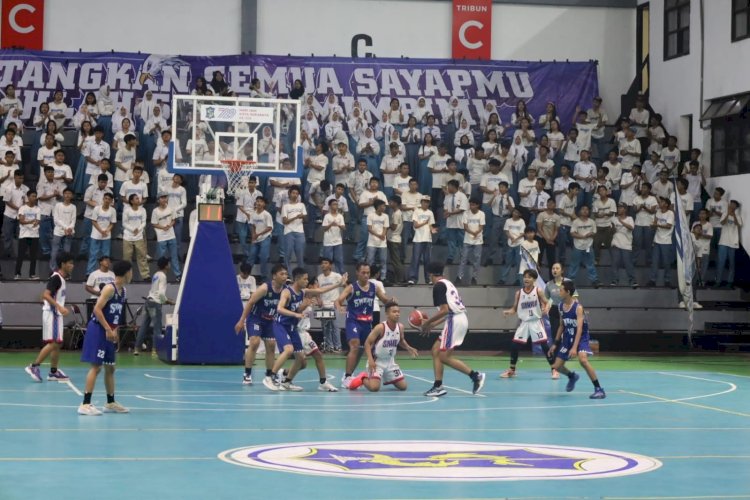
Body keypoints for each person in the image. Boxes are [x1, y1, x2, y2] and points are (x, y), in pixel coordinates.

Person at [265, 267, 347, 391]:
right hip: (281, 325)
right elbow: (279, 309)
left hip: (293, 327)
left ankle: (287, 382)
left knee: (300, 357)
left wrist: (338, 284)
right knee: (288, 350)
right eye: (305, 279)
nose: (307, 281)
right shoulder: (287, 292)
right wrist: (296, 314)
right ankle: (270, 376)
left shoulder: (303, 292)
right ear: (297, 279)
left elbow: (320, 290)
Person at [420, 261, 485, 397]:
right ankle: (438, 386)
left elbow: (445, 310)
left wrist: (427, 323)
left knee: (444, 356)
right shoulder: (447, 283)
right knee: (436, 350)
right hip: (456, 318)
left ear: (430, 274)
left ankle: (475, 376)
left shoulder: (438, 286)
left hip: (455, 321)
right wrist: (433, 324)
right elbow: (449, 310)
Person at [78, 261, 133, 415]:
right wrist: (108, 329)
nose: (132, 274)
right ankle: (85, 404)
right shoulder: (110, 288)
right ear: (126, 273)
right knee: (96, 367)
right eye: (131, 271)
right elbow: (97, 309)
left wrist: (114, 330)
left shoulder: (123, 292)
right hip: (98, 329)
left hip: (109, 331)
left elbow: (114, 314)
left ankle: (110, 402)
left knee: (110, 367)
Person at [336, 262, 394, 389]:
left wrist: (391, 302)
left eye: (368, 272)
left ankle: (350, 374)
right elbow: (338, 300)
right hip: (353, 321)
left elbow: (384, 300)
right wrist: (340, 307)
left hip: (367, 323)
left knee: (362, 349)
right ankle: (346, 377)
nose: (366, 275)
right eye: (363, 272)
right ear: (357, 273)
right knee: (355, 345)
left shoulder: (374, 287)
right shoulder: (351, 287)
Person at [548, 280, 606, 399]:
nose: (559, 292)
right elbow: (561, 326)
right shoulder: (560, 307)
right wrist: (555, 344)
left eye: (561, 290)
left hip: (581, 338)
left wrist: (575, 347)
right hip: (568, 338)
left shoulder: (578, 308)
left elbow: (579, 328)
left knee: (583, 360)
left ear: (568, 292)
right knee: (557, 366)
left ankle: (599, 389)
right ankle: (572, 376)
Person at [24, 252, 75, 383]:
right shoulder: (56, 278)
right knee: (53, 343)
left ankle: (53, 372)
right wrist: (59, 307)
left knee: (57, 343)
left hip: (56, 314)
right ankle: (33, 366)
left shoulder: (61, 279)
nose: (72, 266)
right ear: (63, 264)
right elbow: (45, 295)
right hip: (52, 314)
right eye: (70, 263)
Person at [234, 264, 288, 385]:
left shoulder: (285, 291)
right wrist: (241, 320)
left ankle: (269, 375)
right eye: (282, 274)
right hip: (256, 319)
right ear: (274, 276)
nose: (285, 276)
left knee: (271, 345)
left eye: (286, 274)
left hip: (270, 321)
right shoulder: (264, 288)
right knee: (254, 342)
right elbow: (250, 302)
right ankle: (247, 374)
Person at [348, 302, 419, 391]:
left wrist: (409, 347)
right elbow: (367, 343)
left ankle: (388, 376)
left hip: (390, 361)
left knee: (403, 387)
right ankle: (362, 378)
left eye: (398, 312)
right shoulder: (380, 328)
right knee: (374, 388)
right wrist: (370, 360)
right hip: (377, 362)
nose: (397, 314)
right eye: (394, 312)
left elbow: (401, 340)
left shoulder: (400, 327)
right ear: (387, 314)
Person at [500, 269, 556, 379]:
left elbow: (547, 302)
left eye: (529, 277)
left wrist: (546, 308)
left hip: (536, 321)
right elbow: (514, 309)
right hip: (524, 322)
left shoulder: (538, 291)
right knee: (514, 345)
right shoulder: (519, 293)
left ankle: (554, 369)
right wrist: (508, 312)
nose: (526, 279)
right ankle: (512, 370)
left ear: (534, 280)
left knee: (544, 346)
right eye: (525, 277)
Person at [135, 257, 174, 356]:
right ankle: (155, 350)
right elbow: (160, 294)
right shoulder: (163, 276)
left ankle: (137, 348)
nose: (169, 265)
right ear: (166, 265)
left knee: (144, 326)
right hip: (155, 304)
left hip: (148, 302)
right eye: (169, 263)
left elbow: (155, 291)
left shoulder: (156, 275)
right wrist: (168, 301)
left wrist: (165, 300)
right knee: (157, 327)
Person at [316, 258, 344, 352]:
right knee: (326, 327)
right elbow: (317, 291)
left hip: (334, 304)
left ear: (330, 265)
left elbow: (345, 286)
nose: (323, 265)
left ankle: (338, 346)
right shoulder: (319, 277)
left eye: (326, 263)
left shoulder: (336, 276)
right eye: (322, 263)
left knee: (335, 327)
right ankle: (329, 346)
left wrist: (341, 300)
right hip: (324, 305)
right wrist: (318, 299)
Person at [407, 195, 435, 285]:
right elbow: (415, 225)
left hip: (428, 239)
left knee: (428, 260)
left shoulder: (430, 213)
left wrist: (433, 230)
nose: (425, 203)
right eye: (424, 201)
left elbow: (431, 225)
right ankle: (413, 278)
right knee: (415, 259)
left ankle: (428, 279)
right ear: (421, 202)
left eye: (427, 202)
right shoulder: (416, 211)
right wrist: (424, 222)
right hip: (418, 239)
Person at [457, 197, 485, 285]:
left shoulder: (482, 214)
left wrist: (477, 232)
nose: (471, 206)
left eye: (473, 205)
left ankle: (474, 277)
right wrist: (473, 232)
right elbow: (465, 227)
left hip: (478, 240)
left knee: (477, 259)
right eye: (470, 204)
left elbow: (481, 226)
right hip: (467, 239)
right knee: (463, 258)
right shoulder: (466, 213)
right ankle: (459, 277)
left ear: (477, 205)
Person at [716, 200, 742, 288]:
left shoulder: (738, 216)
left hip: (733, 242)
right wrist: (728, 213)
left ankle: (730, 282)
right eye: (731, 204)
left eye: (733, 205)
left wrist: (733, 214)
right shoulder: (724, 213)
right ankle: (718, 281)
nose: (731, 206)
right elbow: (722, 222)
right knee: (721, 262)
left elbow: (738, 225)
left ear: (736, 207)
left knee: (731, 263)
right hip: (723, 241)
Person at [15, 190, 41, 279]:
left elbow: (37, 221)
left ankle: (32, 274)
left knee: (33, 256)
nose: (34, 198)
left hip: (34, 235)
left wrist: (32, 222)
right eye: (33, 196)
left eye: (35, 196)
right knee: (21, 255)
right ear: (28, 197)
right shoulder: (22, 208)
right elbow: (21, 221)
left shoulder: (38, 209)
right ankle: (17, 274)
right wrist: (31, 221)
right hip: (24, 235)